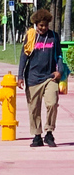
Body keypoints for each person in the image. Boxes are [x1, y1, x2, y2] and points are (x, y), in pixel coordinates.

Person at [17, 9, 63, 148]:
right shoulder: (31, 37)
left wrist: (59, 71)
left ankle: (49, 133)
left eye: (45, 25)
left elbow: (59, 55)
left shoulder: (54, 37)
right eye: (40, 25)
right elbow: (23, 56)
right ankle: (37, 136)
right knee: (34, 109)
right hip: (32, 78)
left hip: (49, 77)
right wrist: (20, 76)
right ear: (36, 24)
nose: (43, 28)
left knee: (52, 103)